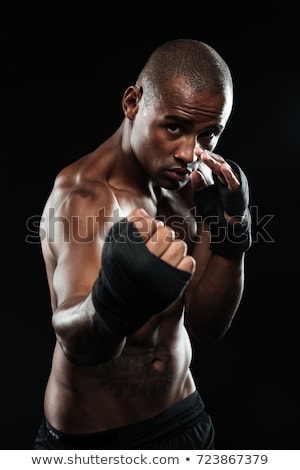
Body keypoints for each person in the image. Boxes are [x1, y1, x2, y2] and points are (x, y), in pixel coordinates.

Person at [34, 38, 252, 450]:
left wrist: (230, 239)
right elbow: (74, 339)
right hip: (97, 441)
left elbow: (207, 325)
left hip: (183, 416)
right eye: (175, 127)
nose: (190, 152)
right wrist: (113, 299)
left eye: (209, 135)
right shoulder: (84, 196)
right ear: (133, 103)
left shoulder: (191, 185)